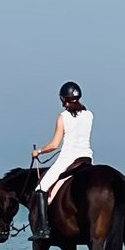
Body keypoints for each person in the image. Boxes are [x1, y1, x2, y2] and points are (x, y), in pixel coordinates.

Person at [28, 81, 94, 239]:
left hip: (68, 159)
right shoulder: (89, 115)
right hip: (86, 158)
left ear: (63, 99)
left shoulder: (63, 117)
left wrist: (38, 151)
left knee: (41, 188)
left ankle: (43, 229)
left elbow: (54, 145)